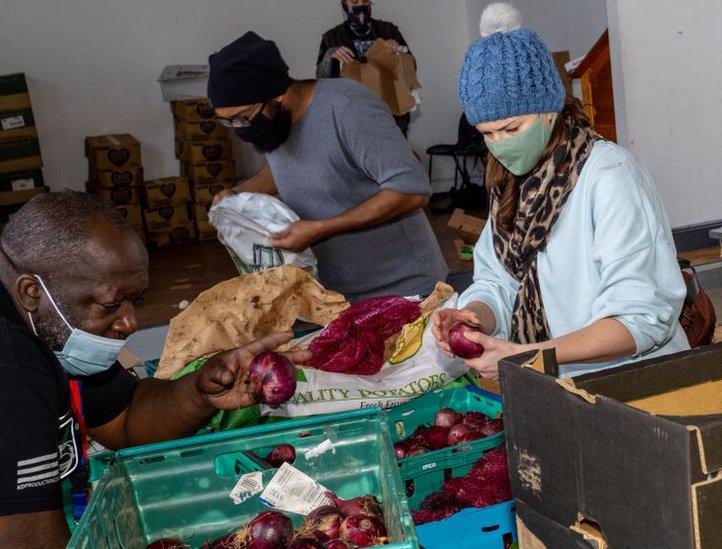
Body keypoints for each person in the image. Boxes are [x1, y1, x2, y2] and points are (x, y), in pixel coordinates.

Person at [0, 192, 308, 547]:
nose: (130, 323)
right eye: (111, 304)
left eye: (135, 302)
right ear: (31, 292)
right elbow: (28, 539)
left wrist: (199, 393)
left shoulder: (50, 327)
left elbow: (126, 420)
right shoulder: (13, 366)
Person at [431, 5, 690, 379]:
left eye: (511, 128)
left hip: (635, 380)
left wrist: (524, 353)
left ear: (549, 110)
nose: (500, 145)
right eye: (487, 134)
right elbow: (500, 281)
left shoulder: (608, 176)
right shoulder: (511, 181)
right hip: (562, 387)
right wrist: (475, 317)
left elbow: (639, 317)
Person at [208, 31, 447, 302]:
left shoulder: (347, 107)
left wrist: (322, 228)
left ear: (277, 96)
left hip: (403, 287)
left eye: (242, 118)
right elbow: (287, 169)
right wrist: (239, 193)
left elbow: (411, 191)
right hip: (336, 291)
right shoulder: (275, 124)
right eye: (229, 122)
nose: (240, 129)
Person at [316, 0, 414, 135]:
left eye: (365, 1)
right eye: (355, 2)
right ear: (345, 4)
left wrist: (399, 51)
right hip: (352, 123)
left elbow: (412, 68)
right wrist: (329, 55)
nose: (360, 6)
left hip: (391, 120)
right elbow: (320, 80)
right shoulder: (333, 37)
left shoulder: (388, 30)